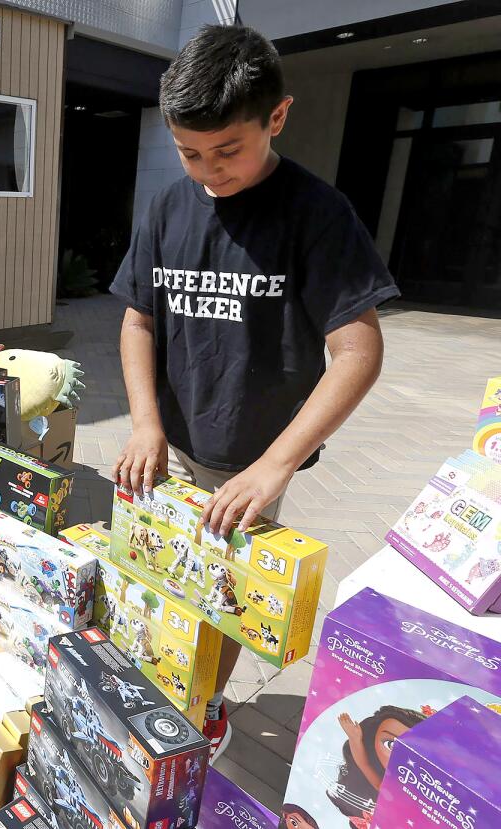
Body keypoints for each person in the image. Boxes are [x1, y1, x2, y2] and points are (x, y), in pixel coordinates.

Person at [109, 24, 398, 761]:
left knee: (219, 599)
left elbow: (358, 350)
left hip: (248, 462)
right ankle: (155, 681)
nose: (208, 171)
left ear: (277, 116)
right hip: (167, 446)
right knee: (154, 579)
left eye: (227, 150)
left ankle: (201, 708)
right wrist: (143, 421)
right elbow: (138, 319)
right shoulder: (170, 209)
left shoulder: (317, 213)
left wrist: (275, 466)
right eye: (189, 152)